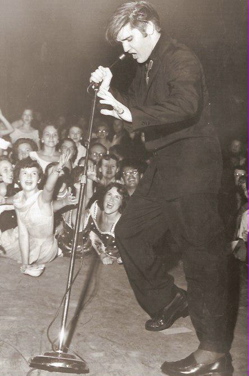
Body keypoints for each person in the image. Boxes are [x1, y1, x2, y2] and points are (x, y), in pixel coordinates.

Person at [90, 2, 232, 375]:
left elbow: (185, 104)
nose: (126, 48)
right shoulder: (144, 67)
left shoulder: (181, 57)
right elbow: (139, 108)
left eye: (130, 39)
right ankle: (168, 301)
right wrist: (112, 90)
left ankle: (215, 354)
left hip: (193, 165)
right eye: (121, 42)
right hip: (164, 165)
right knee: (129, 232)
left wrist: (128, 113)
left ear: (150, 27)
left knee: (201, 257)